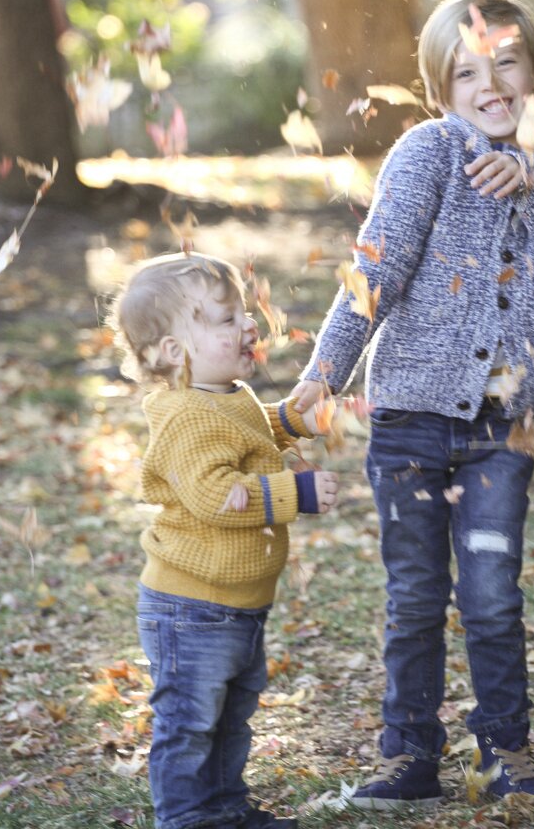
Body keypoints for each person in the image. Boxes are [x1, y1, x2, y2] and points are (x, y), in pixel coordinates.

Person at [291, 0, 534, 808]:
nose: (489, 84)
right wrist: (326, 374)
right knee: (416, 595)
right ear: (441, 92)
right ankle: (408, 756)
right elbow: (377, 273)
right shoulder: (427, 154)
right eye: (467, 73)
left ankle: (508, 747)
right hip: (409, 423)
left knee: (494, 594)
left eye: (506, 63)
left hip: (507, 427)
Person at [113, 252, 338, 829]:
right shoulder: (185, 414)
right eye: (224, 318)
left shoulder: (222, 394)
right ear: (171, 351)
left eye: (243, 312)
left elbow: (245, 432)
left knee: (231, 716)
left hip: (234, 605)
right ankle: (187, 817)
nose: (247, 325)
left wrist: (287, 419)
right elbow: (215, 493)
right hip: (192, 608)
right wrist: (296, 494)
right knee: (190, 721)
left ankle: (225, 809)